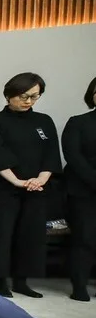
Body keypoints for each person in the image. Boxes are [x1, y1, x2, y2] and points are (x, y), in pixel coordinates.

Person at [0, 73, 62, 298]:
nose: (28, 101)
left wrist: (41, 179)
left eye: (34, 97)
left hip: (36, 188)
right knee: (1, 235)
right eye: (24, 96)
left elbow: (51, 154)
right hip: (4, 188)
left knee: (30, 236)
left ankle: (21, 281)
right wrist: (17, 181)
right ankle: (0, 282)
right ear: (9, 95)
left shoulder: (44, 121)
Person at [62, 75, 96, 301]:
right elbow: (73, 156)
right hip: (83, 190)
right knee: (84, 238)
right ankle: (79, 286)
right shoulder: (78, 122)